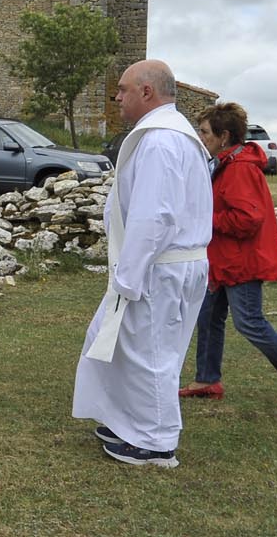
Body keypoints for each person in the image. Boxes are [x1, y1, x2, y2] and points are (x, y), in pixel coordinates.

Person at [72, 60, 212, 467]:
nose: (116, 97)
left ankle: (154, 442)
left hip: (157, 267)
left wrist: (128, 277)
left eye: (122, 89)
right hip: (163, 264)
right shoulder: (171, 137)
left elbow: (155, 215)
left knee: (151, 351)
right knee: (114, 342)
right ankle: (124, 419)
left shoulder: (162, 142)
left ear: (146, 92)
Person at [182, 102, 277, 412]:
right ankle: (207, 379)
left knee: (249, 322)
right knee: (208, 315)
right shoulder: (226, 163)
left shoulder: (239, 169)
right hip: (224, 260)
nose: (200, 136)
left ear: (224, 136)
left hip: (242, 262)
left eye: (205, 131)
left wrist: (205, 219)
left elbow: (247, 219)